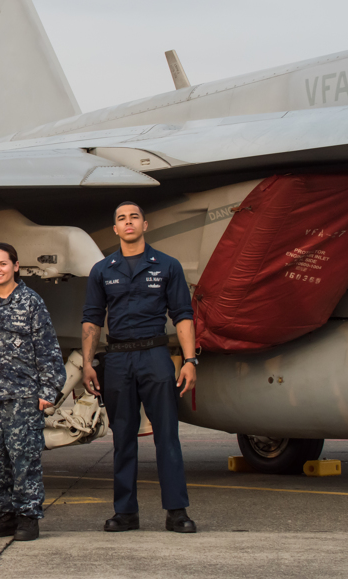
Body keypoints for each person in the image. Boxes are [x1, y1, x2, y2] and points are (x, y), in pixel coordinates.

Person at [81, 201, 198, 534]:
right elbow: (91, 318)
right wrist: (88, 364)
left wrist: (190, 361)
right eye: (121, 218)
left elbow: (183, 316)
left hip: (155, 356)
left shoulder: (167, 266)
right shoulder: (102, 270)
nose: (128, 222)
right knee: (124, 438)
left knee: (167, 436)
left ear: (145, 225)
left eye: (134, 217)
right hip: (118, 360)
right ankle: (125, 512)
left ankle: (177, 511)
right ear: (115, 229)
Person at [0, 243, 66, 541]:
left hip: (22, 397)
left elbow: (48, 350)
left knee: (24, 459)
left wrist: (48, 390)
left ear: (16, 266)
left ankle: (28, 516)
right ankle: (5, 515)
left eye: (3, 264)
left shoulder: (31, 302)